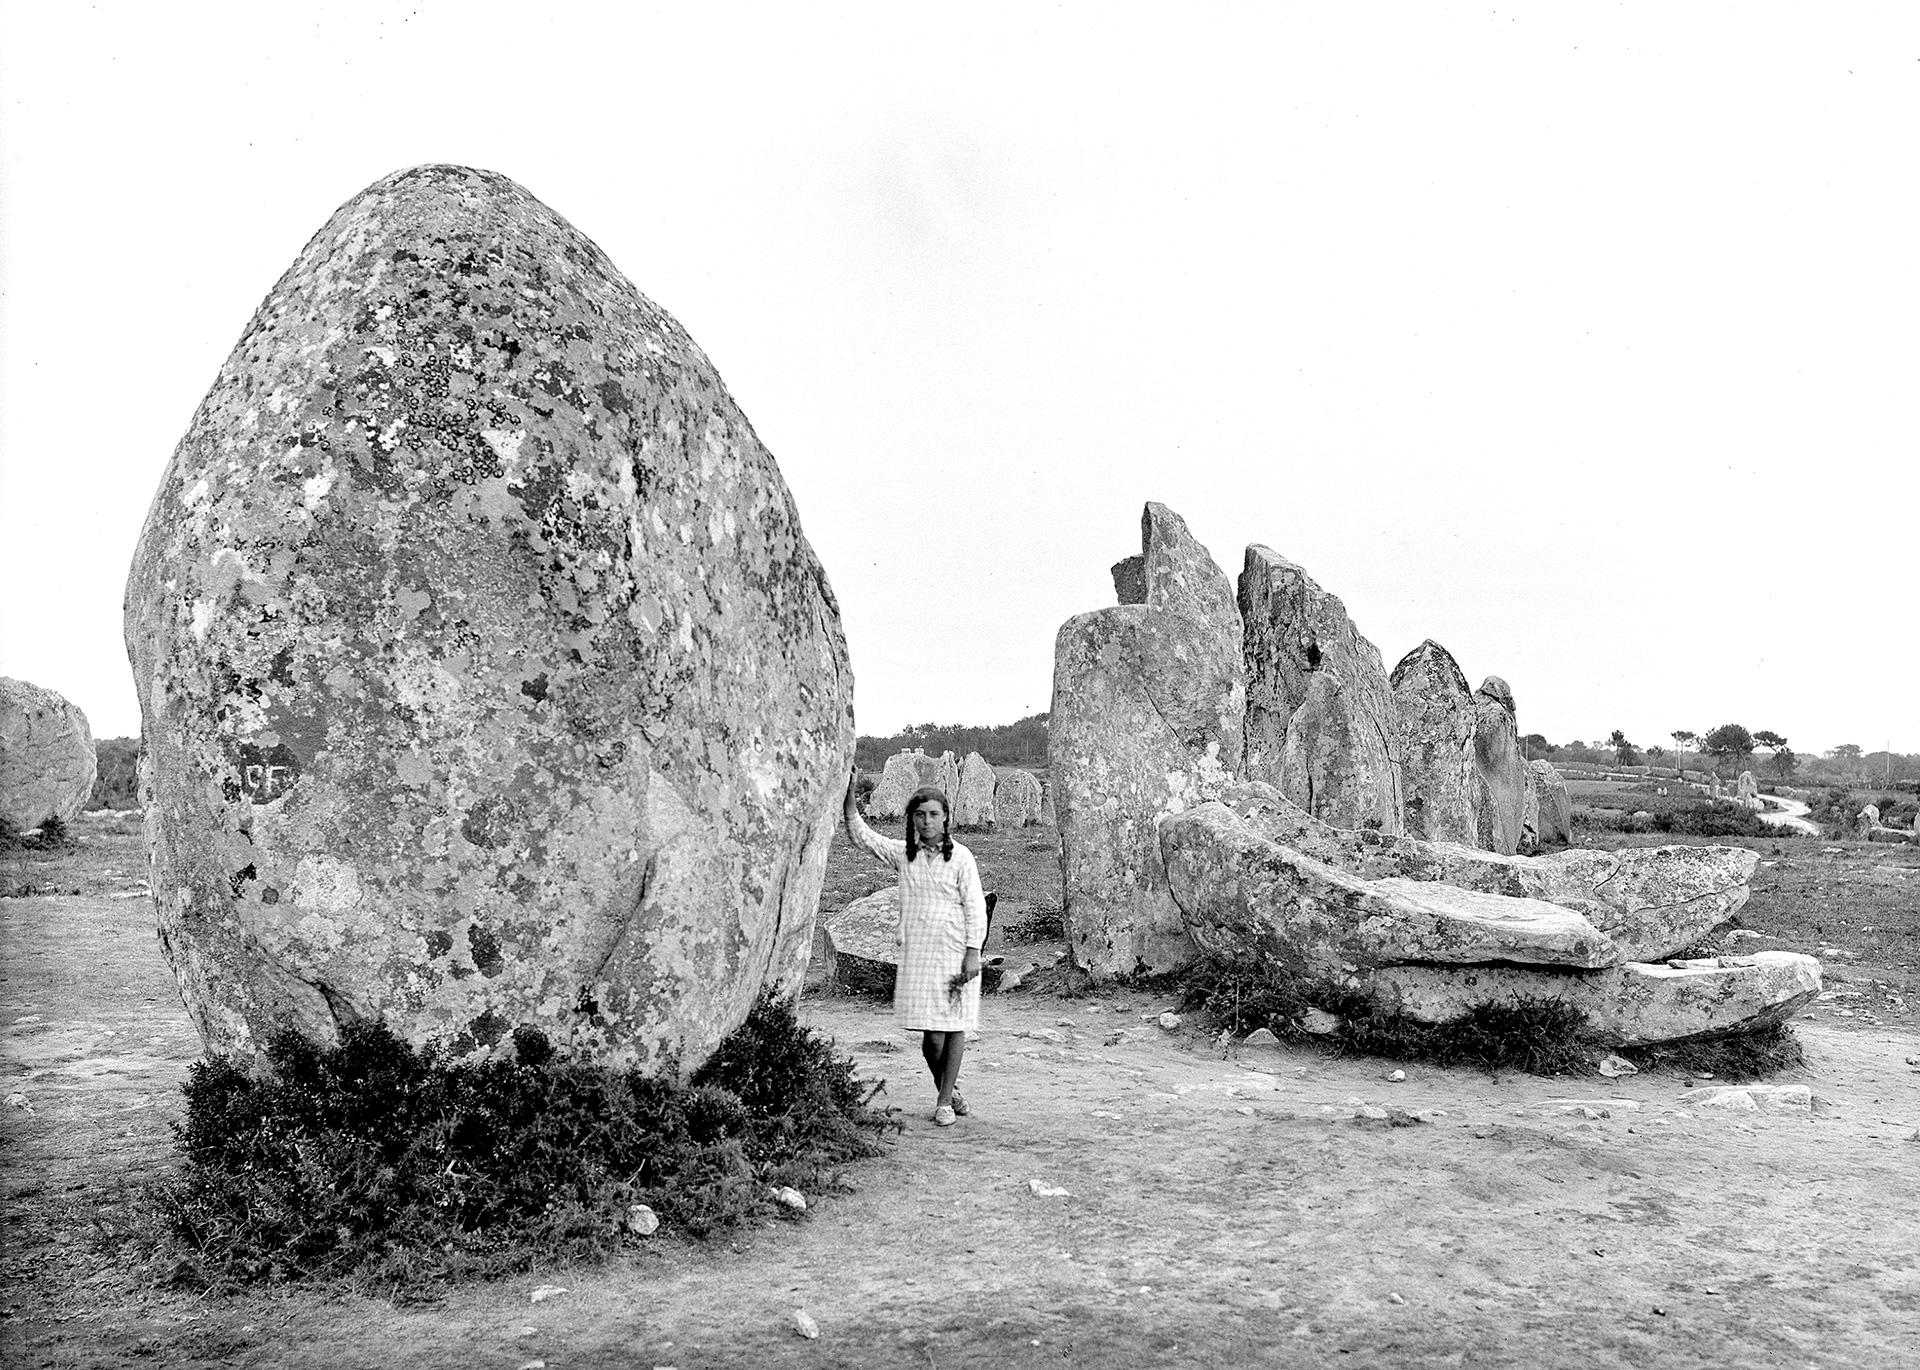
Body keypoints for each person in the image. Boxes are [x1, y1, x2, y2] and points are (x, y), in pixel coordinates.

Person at [842, 772, 987, 1127]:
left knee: (954, 1027)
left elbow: (975, 906)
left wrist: (973, 951)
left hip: (955, 950)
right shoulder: (904, 854)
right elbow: (863, 837)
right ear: (912, 819)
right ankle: (947, 1088)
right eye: (920, 815)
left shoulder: (962, 858)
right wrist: (849, 799)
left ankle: (943, 1101)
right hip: (918, 953)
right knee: (930, 1036)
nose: (926, 821)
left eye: (933, 814)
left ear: (946, 817)